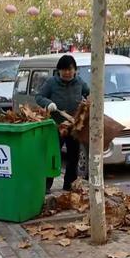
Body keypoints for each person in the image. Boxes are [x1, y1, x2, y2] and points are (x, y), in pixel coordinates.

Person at [36, 54, 90, 193]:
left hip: (73, 126)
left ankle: (69, 184)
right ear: (59, 70)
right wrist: (49, 104)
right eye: (63, 70)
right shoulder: (51, 83)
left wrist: (88, 101)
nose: (67, 73)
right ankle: (46, 185)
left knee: (74, 156)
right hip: (56, 126)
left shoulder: (79, 82)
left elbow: (89, 93)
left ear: (75, 70)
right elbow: (39, 96)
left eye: (70, 69)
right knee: (53, 155)